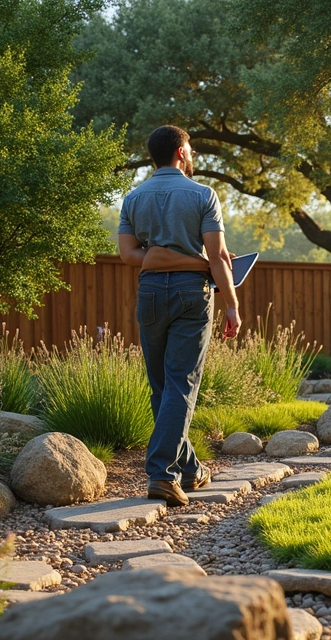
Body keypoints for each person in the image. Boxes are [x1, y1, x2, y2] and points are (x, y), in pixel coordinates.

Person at [117, 125, 241, 507]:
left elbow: (130, 255)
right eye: (191, 150)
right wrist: (232, 303)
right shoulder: (203, 194)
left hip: (151, 292)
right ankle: (161, 474)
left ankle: (189, 469)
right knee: (182, 384)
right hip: (192, 293)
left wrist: (166, 257)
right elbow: (218, 256)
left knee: (163, 386)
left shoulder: (133, 198)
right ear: (182, 153)